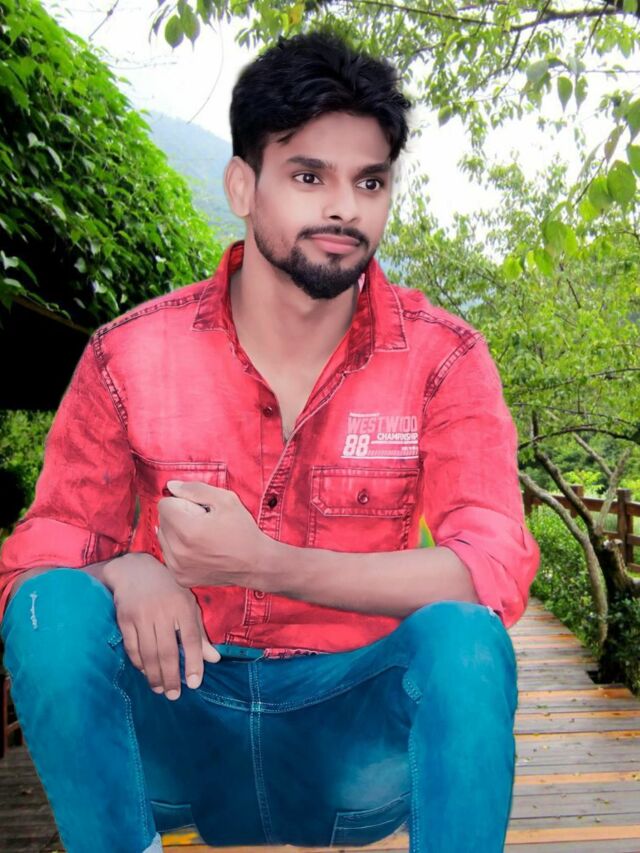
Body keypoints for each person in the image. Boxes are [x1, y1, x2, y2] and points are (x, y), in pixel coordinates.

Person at [0, 29, 540, 853]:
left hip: (355, 748)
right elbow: (34, 558)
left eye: (370, 181)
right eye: (309, 176)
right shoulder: (129, 355)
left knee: (467, 641)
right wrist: (123, 570)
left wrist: (265, 562)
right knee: (52, 605)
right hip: (176, 721)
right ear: (242, 186)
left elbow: (493, 568)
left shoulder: (444, 357)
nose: (345, 208)